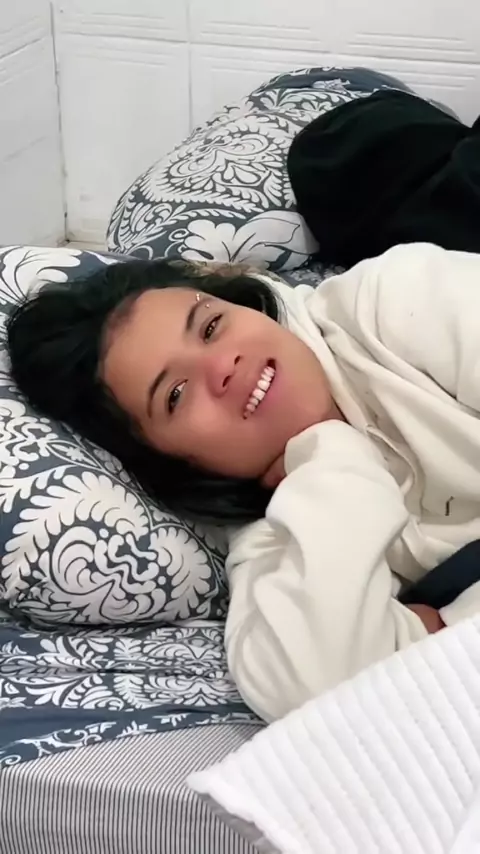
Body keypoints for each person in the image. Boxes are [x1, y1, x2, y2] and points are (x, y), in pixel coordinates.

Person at [7, 243, 480, 722]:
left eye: (211, 327)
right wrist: (331, 456)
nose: (223, 366)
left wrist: (451, 621)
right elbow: (327, 690)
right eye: (176, 394)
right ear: (172, 464)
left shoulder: (395, 301)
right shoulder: (276, 541)